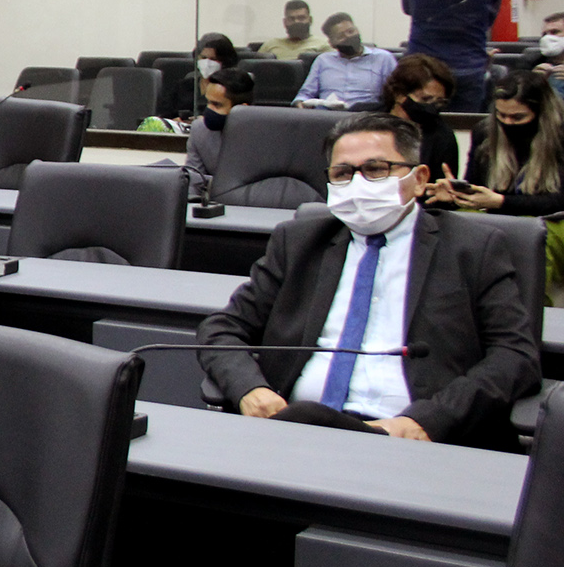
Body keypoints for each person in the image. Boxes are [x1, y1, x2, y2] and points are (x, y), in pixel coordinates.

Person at [197, 114, 536, 450]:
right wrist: (250, 389)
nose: (358, 184)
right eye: (342, 173)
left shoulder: (473, 247)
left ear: (419, 179)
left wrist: (430, 419)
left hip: (416, 442)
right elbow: (222, 328)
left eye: (376, 169)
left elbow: (515, 355)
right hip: (294, 430)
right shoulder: (299, 242)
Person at [427, 71, 564, 218]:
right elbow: (476, 185)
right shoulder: (484, 133)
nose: (507, 123)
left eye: (518, 117)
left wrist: (501, 202)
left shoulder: (560, 136)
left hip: (550, 221)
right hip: (497, 220)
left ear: (541, 113)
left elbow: (559, 201)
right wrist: (457, 195)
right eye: (501, 115)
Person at [380, 54, 460, 182]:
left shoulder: (442, 137)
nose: (432, 106)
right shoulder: (366, 121)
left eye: (439, 102)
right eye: (425, 99)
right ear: (399, 94)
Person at [295, 13, 396, 109]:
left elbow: (397, 94)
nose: (348, 37)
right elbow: (305, 95)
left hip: (366, 115)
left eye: (351, 31)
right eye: (341, 36)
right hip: (326, 115)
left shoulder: (383, 58)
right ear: (331, 43)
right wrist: (300, 103)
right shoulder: (323, 61)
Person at [183, 67, 254, 200]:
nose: (208, 110)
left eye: (217, 105)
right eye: (208, 102)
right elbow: (193, 180)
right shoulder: (200, 130)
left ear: (242, 109)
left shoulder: (264, 136)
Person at [515, 9, 564, 99]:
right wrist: (532, 81)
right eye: (544, 34)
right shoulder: (531, 61)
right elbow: (513, 95)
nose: (547, 37)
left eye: (555, 32)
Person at [256, 0, 328, 59]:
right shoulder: (270, 45)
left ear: (310, 20)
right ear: (285, 22)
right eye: (291, 19)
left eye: (301, 18)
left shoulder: (323, 45)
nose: (296, 22)